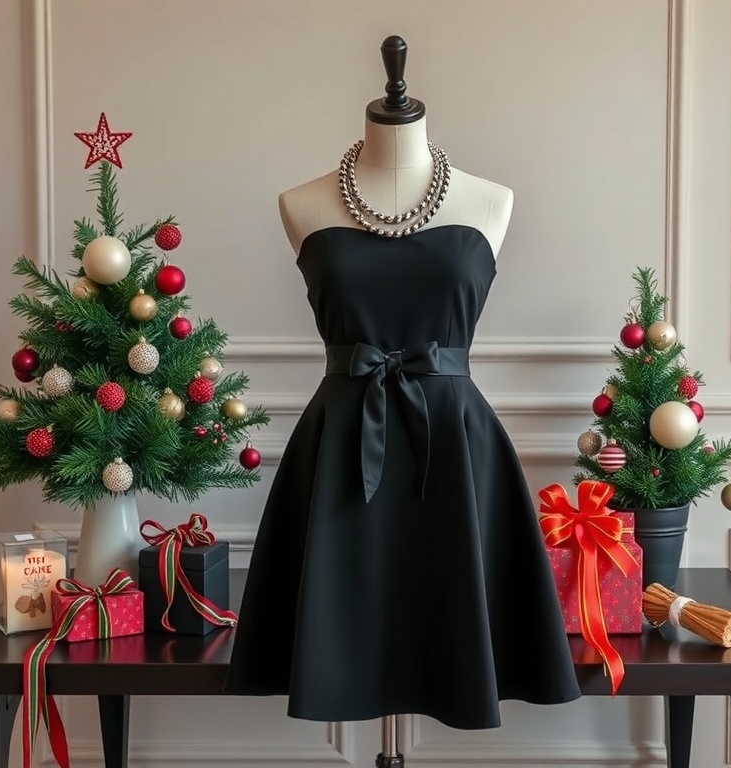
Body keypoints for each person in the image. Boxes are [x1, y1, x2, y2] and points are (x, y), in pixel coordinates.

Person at [224, 35, 580, 731]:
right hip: (338, 443)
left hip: (456, 442)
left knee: (450, 611)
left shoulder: (491, 200)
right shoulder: (301, 202)